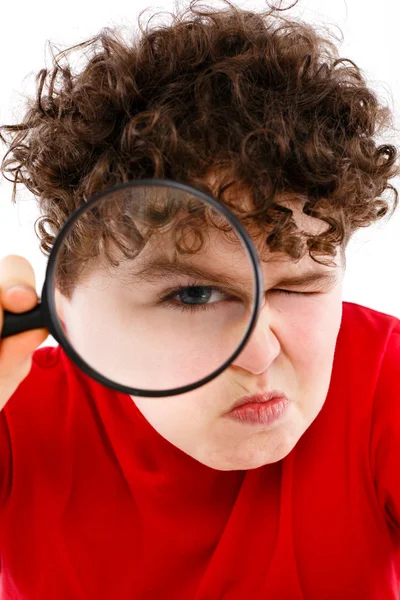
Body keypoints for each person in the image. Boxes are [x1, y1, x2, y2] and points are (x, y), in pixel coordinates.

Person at [0, 0, 399, 597]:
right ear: (68, 304)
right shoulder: (16, 409)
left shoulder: (383, 383)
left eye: (299, 285)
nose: (260, 355)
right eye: (192, 294)